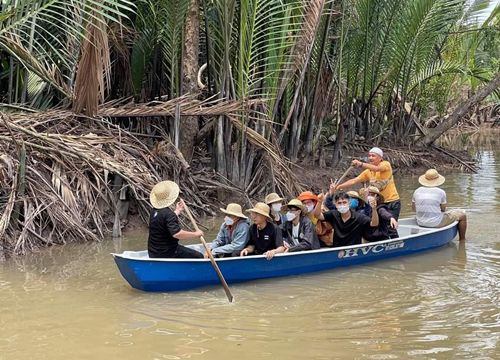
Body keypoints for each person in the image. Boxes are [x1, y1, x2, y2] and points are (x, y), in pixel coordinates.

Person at [332, 147, 401, 220]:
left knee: (390, 224)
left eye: (373, 156)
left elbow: (377, 168)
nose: (370, 158)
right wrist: (338, 186)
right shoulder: (368, 172)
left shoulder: (386, 164)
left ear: (380, 158)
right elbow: (354, 181)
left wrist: (360, 164)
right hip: (378, 203)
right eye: (369, 156)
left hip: (392, 201)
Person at [147, 181, 204, 258]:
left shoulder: (154, 211)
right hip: (168, 252)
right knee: (199, 256)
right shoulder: (168, 214)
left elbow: (164, 220)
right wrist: (195, 234)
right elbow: (177, 234)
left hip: (153, 252)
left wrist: (177, 211)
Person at [412, 169, 467, 241]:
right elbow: (443, 209)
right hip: (435, 223)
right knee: (462, 216)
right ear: (437, 180)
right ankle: (462, 240)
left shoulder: (417, 191)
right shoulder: (441, 192)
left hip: (420, 222)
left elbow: (413, 209)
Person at [313, 191, 379, 247]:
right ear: (335, 204)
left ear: (349, 203)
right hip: (337, 249)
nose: (342, 205)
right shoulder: (333, 214)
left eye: (344, 202)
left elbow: (374, 223)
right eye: (339, 203)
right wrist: (319, 202)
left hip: (354, 250)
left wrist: (374, 209)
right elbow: (317, 215)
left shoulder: (359, 217)